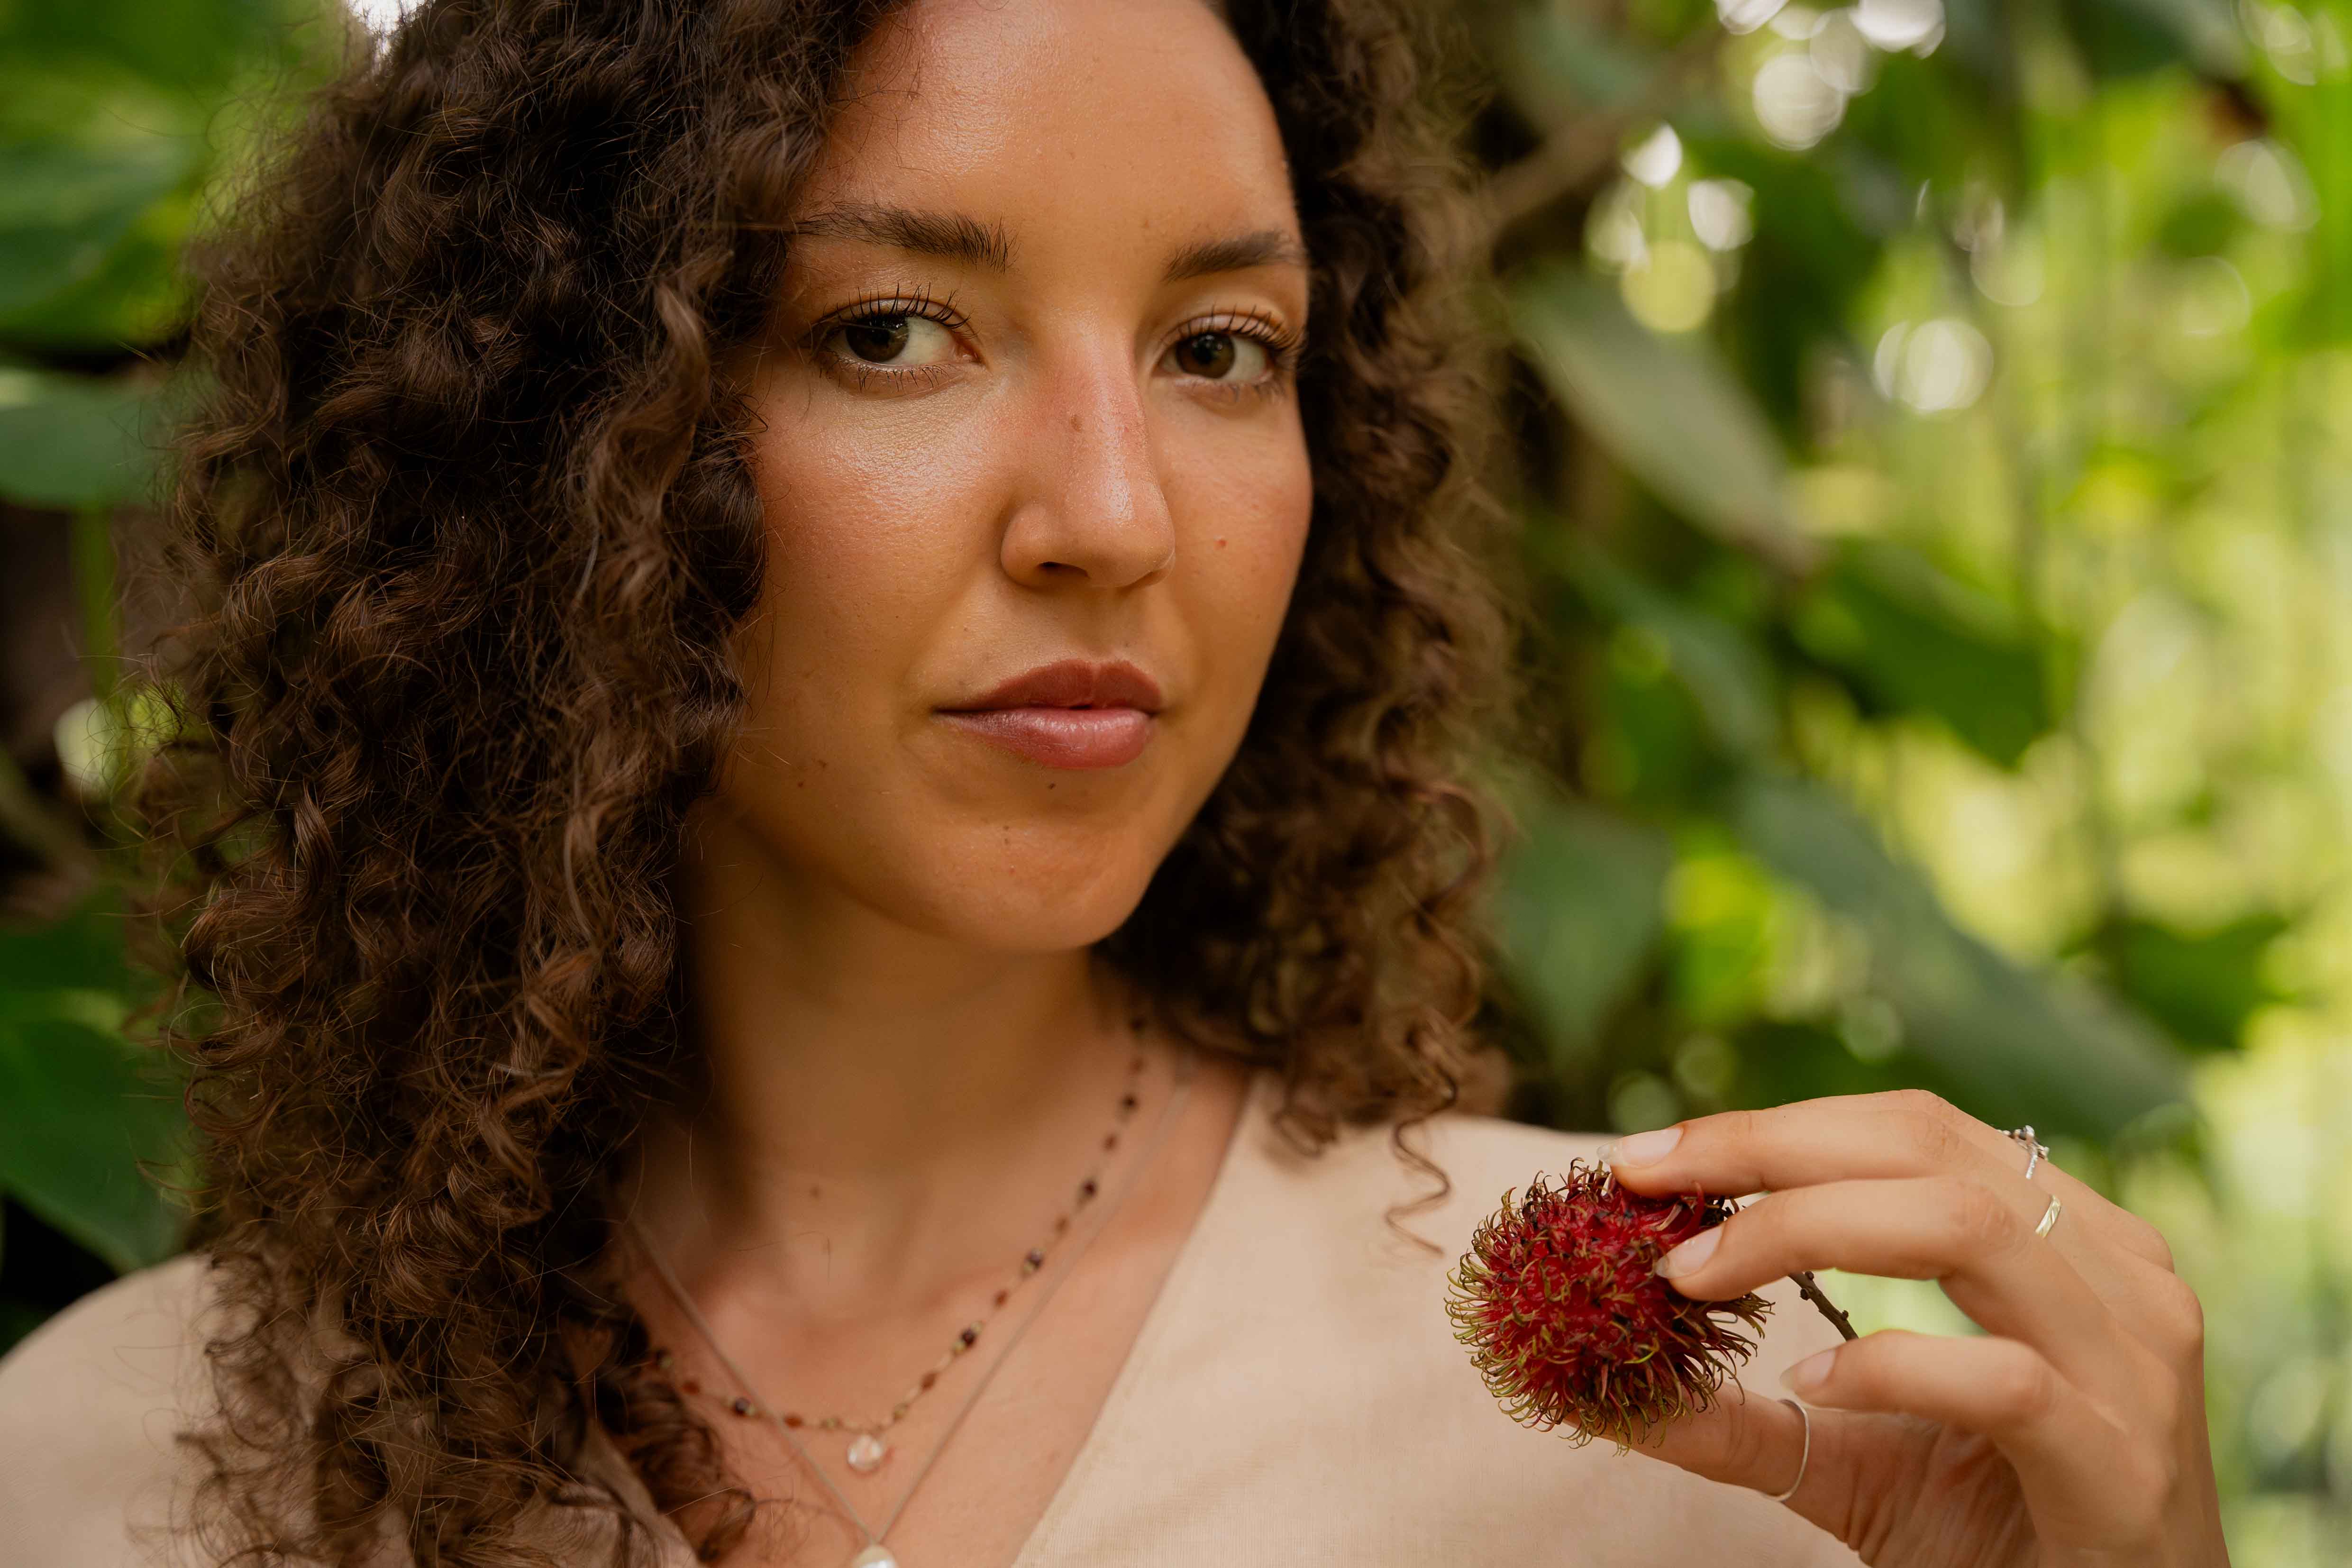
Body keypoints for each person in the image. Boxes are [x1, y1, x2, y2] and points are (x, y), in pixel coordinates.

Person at [0, 0, 2225, 1565]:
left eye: (1216, 352)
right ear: (567, 437)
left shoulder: (1688, 1426)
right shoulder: (95, 1473)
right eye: (893, 328)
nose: (1113, 510)